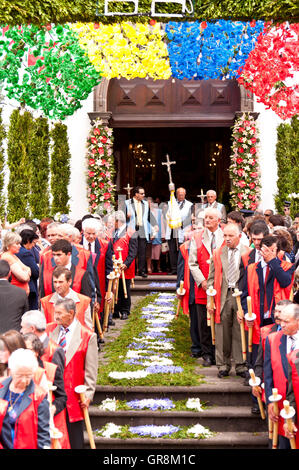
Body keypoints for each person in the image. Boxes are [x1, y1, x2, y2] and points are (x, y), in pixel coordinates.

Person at [46, 298, 98, 449]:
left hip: (74, 397)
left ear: (71, 313)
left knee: (74, 440)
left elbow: (91, 370)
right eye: (54, 312)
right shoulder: (49, 330)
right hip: (53, 396)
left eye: (59, 313)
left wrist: (88, 395)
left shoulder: (88, 336)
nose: (55, 316)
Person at [241, 234, 295, 369]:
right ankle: (255, 377)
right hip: (257, 316)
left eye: (271, 250)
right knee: (256, 352)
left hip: (276, 317)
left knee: (274, 352)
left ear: (277, 252)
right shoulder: (252, 268)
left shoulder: (287, 267)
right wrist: (247, 313)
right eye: (266, 250)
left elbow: (285, 282)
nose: (268, 253)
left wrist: (272, 261)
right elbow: (244, 294)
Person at [207, 223, 250, 378]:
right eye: (224, 235)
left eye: (230, 236)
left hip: (240, 296)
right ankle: (223, 365)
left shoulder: (248, 253)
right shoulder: (218, 252)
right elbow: (211, 279)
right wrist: (209, 300)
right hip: (223, 295)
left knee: (239, 331)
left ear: (239, 236)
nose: (227, 239)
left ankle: (240, 365)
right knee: (222, 331)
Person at [188, 207, 225, 366]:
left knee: (220, 319)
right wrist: (202, 281)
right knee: (203, 320)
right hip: (203, 286)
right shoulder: (197, 237)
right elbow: (192, 263)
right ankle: (207, 353)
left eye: (211, 218)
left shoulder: (226, 235)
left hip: (222, 284)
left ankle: (221, 353)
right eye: (206, 218)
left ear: (218, 220)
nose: (207, 220)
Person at [23, 332, 70, 449]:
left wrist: (52, 409)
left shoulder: (51, 369)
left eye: (27, 350)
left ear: (36, 351)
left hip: (50, 421)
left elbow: (62, 397)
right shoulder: (17, 371)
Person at [264, 303, 299, 449]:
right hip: (282, 408)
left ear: (297, 321)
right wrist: (270, 402)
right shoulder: (272, 339)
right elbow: (268, 375)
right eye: (281, 320)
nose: (282, 325)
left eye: (286, 321)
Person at [0, 348, 50, 449]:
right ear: (11, 371)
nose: (23, 380)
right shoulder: (1, 387)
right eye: (20, 375)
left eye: (28, 376)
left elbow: (43, 434)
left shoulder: (39, 396)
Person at [39, 238, 99, 304]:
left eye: (59, 255)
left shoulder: (81, 274)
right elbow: (42, 298)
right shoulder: (46, 274)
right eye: (54, 255)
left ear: (69, 254)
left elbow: (86, 301)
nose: (55, 258)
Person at [81, 217, 114, 326]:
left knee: (98, 310)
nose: (91, 236)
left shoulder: (105, 245)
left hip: (99, 283)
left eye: (93, 233)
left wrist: (110, 289)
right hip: (82, 284)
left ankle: (98, 334)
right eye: (88, 233)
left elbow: (109, 268)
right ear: (83, 232)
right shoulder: (77, 245)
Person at [20, 310, 65, 376]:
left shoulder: (54, 350)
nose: (21, 331)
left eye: (23, 327)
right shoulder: (23, 346)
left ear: (32, 328)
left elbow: (57, 381)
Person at [125, 186, 157, 277]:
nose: (144, 195)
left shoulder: (145, 204)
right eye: (142, 193)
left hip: (142, 229)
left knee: (142, 251)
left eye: (143, 193)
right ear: (136, 194)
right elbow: (120, 216)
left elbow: (149, 215)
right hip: (132, 229)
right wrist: (126, 215)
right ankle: (132, 270)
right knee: (132, 251)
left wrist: (155, 224)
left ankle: (142, 271)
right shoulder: (127, 202)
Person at [112, 211, 138, 320]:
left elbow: (133, 252)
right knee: (115, 288)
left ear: (118, 221)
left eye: (114, 221)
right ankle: (116, 310)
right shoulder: (113, 232)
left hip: (125, 266)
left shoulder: (131, 232)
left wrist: (125, 264)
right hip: (115, 265)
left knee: (124, 288)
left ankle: (125, 310)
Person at [165, 187, 193, 275]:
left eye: (182, 194)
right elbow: (166, 215)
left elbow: (190, 217)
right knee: (172, 250)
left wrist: (180, 224)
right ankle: (174, 269)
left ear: (185, 194)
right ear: (176, 194)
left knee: (183, 250)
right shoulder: (169, 203)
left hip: (183, 229)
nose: (181, 195)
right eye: (179, 194)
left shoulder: (190, 204)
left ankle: (183, 269)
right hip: (172, 229)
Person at [0, 260, 28, 334]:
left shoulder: (21, 292)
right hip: (15, 337)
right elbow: (25, 316)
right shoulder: (21, 292)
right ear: (9, 273)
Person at [16, 229, 40, 310]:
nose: (34, 246)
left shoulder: (16, 251)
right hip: (29, 288)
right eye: (34, 243)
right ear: (28, 240)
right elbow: (36, 271)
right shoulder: (25, 253)